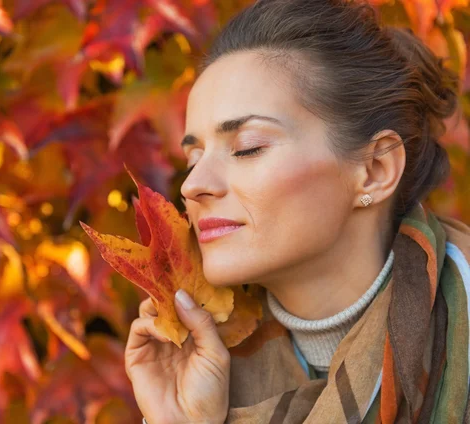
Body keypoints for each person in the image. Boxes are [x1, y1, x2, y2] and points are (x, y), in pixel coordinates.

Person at [123, 0, 470, 422]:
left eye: (247, 148)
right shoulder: (204, 369)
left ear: (375, 170)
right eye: (193, 159)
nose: (192, 186)